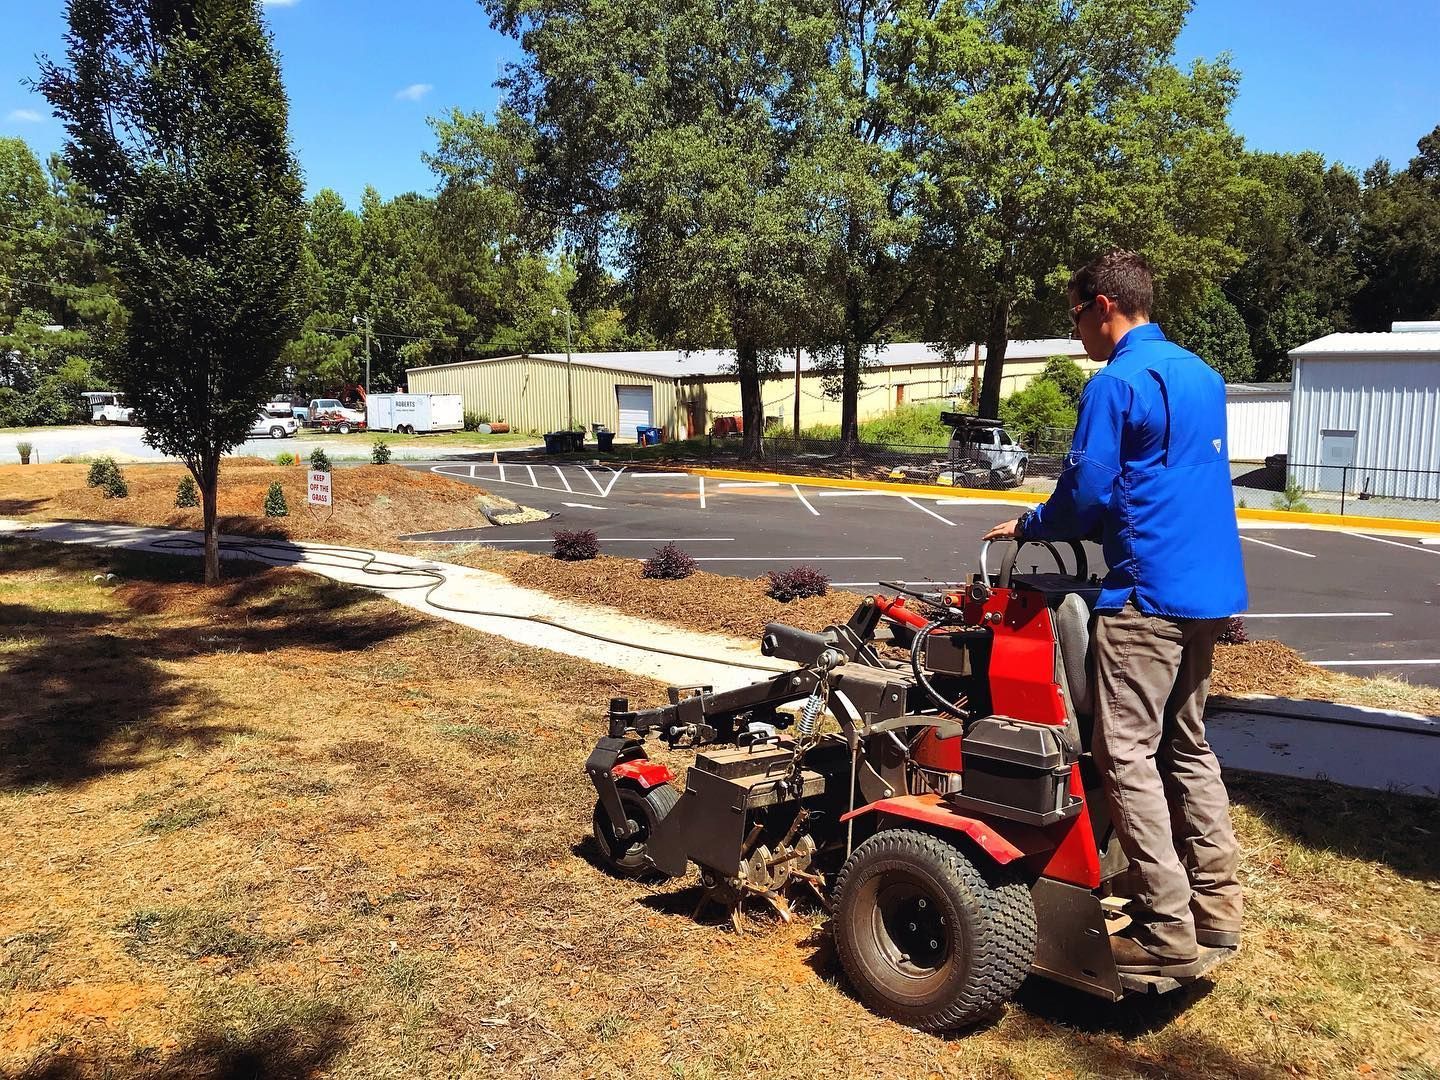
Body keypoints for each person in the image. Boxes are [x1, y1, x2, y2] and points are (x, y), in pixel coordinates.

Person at [984, 250, 1247, 975]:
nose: (1076, 334)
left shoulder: (1116, 383)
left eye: (1074, 316)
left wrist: (1031, 527)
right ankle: (1217, 909)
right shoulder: (1203, 375)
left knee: (1124, 752)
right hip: (1206, 593)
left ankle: (1165, 932)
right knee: (1187, 745)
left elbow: (1088, 497)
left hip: (1146, 596)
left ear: (1102, 305)